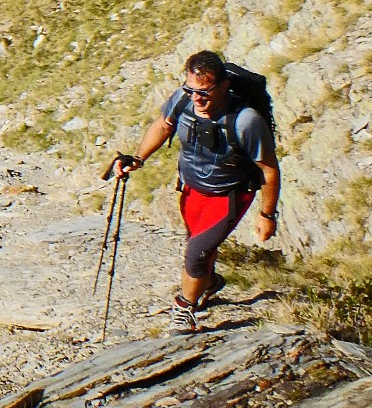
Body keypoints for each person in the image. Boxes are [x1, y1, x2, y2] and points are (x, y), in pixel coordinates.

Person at [120, 50, 280, 335]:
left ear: (224, 86)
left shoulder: (246, 121)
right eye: (191, 90)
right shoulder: (182, 101)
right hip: (192, 189)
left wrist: (267, 214)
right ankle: (209, 283)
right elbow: (164, 124)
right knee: (198, 246)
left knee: (196, 252)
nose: (197, 99)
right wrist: (139, 157)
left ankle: (184, 309)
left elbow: (268, 169)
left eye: (204, 92)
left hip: (229, 194)